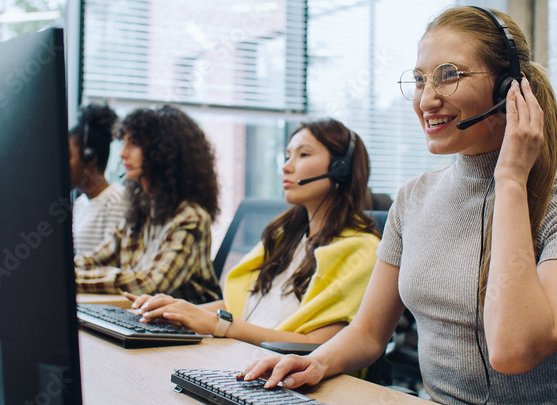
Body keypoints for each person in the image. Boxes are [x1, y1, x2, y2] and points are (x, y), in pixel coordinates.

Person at [242, 6, 557, 405]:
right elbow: (367, 334)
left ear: (507, 89)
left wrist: (512, 181)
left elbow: (512, 351)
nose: (426, 100)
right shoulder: (414, 198)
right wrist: (318, 363)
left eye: (449, 75)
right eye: (420, 79)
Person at [127, 119, 381, 346]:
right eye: (287, 156)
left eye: (303, 155)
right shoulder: (285, 237)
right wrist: (176, 312)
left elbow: (314, 345)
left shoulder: (360, 250)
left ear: (341, 169)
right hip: (241, 358)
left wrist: (220, 325)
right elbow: (241, 307)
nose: (286, 167)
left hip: (286, 380)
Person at [75, 105, 220, 303]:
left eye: (133, 144)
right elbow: (97, 258)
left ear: (163, 153)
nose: (122, 154)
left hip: (186, 330)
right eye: (123, 142)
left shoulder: (190, 216)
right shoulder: (142, 210)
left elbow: (149, 284)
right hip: (144, 318)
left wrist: (75, 278)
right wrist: (64, 271)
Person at [69, 102, 128, 258]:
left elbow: (109, 259)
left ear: (89, 157)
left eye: (68, 156)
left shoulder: (116, 200)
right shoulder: (80, 204)